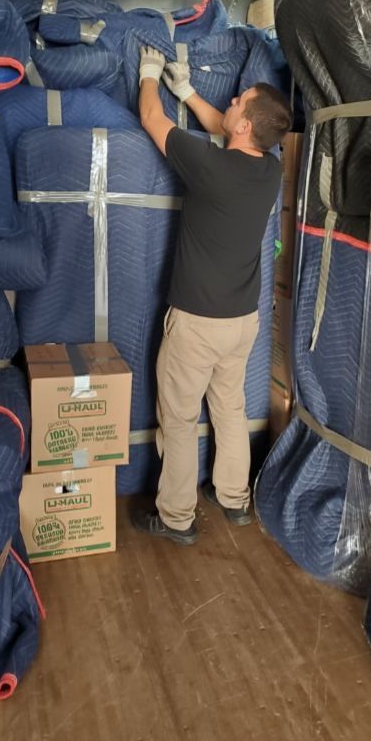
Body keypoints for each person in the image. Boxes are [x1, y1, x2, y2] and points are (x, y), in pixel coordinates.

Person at [133, 45, 291, 546]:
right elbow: (228, 128)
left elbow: (151, 117)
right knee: (228, 408)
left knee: (178, 420)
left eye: (239, 102)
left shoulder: (208, 165)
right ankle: (233, 499)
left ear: (245, 125)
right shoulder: (271, 170)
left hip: (198, 323)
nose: (232, 104)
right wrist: (191, 92)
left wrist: (150, 74)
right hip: (242, 322)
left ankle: (176, 518)